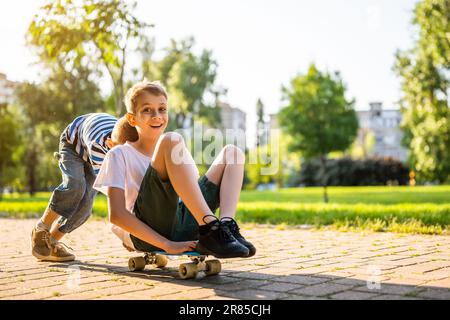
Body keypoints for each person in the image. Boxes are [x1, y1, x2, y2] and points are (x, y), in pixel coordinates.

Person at [94, 80, 256, 258]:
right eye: (147, 110)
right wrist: (166, 244)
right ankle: (212, 228)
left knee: (232, 153)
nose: (157, 115)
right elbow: (116, 216)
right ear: (132, 118)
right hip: (151, 231)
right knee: (172, 139)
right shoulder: (120, 154)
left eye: (162, 109)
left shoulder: (175, 149)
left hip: (185, 222)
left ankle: (226, 226)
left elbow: (192, 196)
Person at [31, 114, 137, 262]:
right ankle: (41, 227)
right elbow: (113, 191)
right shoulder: (100, 145)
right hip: (73, 145)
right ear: (111, 145)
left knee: (86, 207)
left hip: (93, 151)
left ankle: (51, 243)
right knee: (75, 186)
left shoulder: (132, 144)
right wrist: (126, 232)